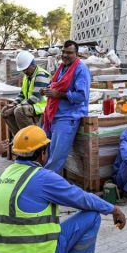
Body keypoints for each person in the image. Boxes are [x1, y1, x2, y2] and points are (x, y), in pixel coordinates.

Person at [0, 126, 127, 253]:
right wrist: (113, 209)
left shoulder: (3, 174)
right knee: (92, 216)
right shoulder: (43, 177)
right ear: (43, 153)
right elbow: (82, 198)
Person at [42, 40, 91, 173]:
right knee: (47, 151)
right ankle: (48, 179)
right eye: (63, 52)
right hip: (54, 115)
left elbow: (81, 96)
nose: (65, 55)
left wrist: (57, 94)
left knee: (56, 158)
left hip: (67, 117)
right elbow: (56, 85)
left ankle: (46, 182)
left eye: (69, 53)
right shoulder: (62, 67)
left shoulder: (81, 69)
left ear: (76, 54)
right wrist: (48, 90)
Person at [3, 51, 51, 136]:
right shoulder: (27, 76)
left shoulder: (41, 75)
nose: (24, 71)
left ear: (33, 65)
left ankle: (34, 137)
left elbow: (34, 98)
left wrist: (15, 107)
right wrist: (13, 104)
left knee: (19, 111)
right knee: (5, 110)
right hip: (32, 105)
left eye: (26, 69)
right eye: (23, 69)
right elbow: (22, 94)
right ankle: (19, 137)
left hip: (41, 107)